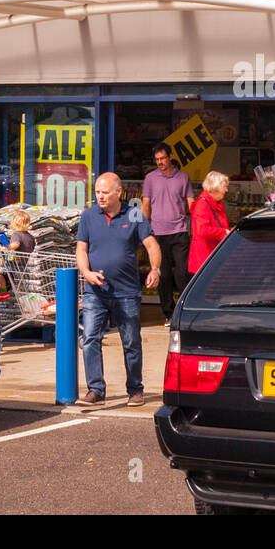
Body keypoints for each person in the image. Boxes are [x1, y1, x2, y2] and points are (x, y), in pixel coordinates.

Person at [75, 172, 162, 407]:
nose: (100, 197)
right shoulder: (88, 216)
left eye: (104, 192)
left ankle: (135, 389)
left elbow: (151, 244)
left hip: (126, 292)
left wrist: (155, 269)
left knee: (131, 341)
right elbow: (81, 250)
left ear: (118, 193)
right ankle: (96, 389)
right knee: (90, 338)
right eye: (97, 192)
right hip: (96, 291)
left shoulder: (134, 214)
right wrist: (86, 273)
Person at [141, 142, 194, 327]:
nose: (160, 162)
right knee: (162, 276)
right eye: (157, 160)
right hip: (157, 233)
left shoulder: (183, 177)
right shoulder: (150, 178)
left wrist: (197, 225)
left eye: (163, 158)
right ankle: (169, 314)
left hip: (179, 231)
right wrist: (144, 230)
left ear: (170, 156)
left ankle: (185, 310)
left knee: (182, 274)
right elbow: (146, 205)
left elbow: (191, 203)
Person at [189, 171, 231, 275]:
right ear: (215, 188)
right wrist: (224, 233)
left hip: (213, 254)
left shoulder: (216, 202)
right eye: (224, 187)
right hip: (205, 257)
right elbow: (202, 230)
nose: (226, 190)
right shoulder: (203, 204)